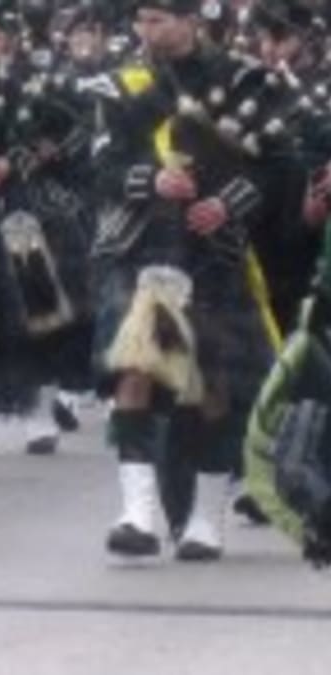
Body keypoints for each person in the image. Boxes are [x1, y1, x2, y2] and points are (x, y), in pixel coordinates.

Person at [90, 0, 284, 561]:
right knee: (134, 368)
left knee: (214, 386)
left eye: (158, 20)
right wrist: (150, 180)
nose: (145, 31)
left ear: (191, 20)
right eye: (140, 20)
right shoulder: (120, 86)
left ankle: (205, 518)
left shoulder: (242, 81)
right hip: (142, 247)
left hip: (213, 251)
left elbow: (275, 166)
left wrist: (227, 204)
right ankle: (138, 514)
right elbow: (99, 166)